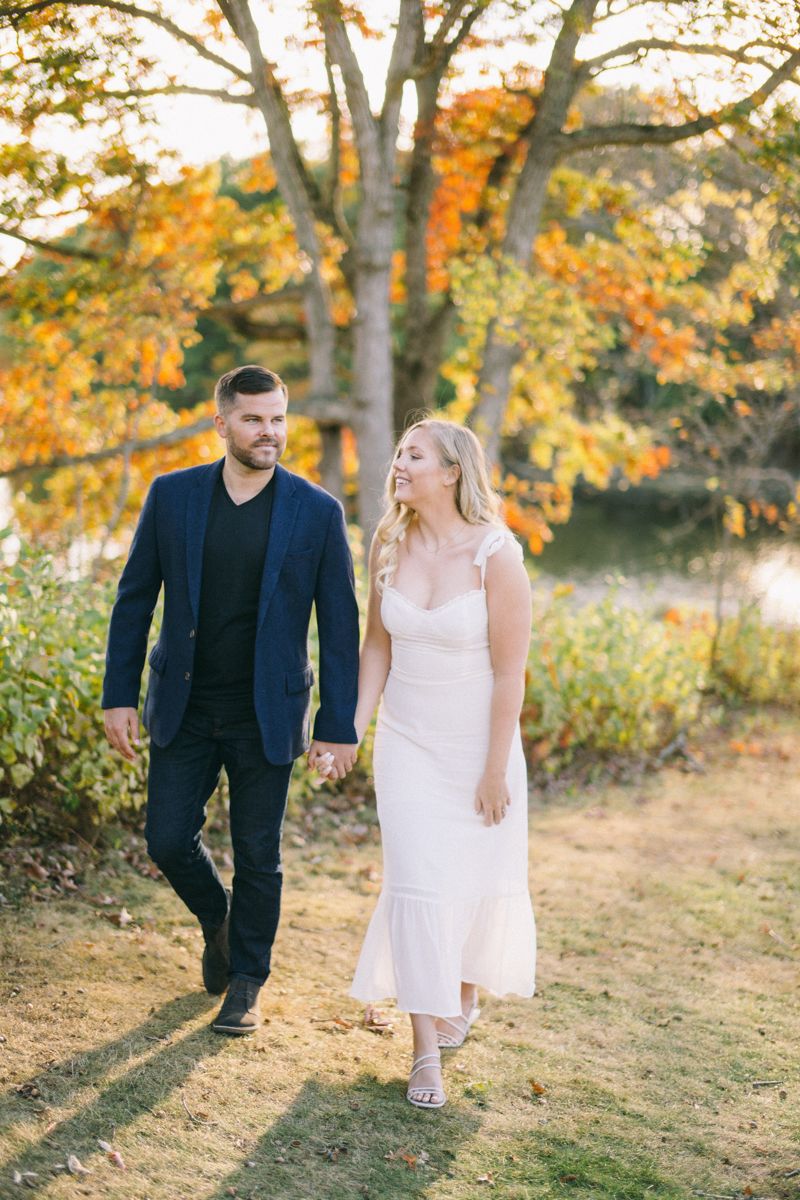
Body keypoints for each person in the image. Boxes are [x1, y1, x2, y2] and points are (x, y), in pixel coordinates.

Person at [101, 365, 359, 1035]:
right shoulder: (173, 496)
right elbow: (134, 600)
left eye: (277, 418)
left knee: (259, 855)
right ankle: (219, 921)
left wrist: (339, 726)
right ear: (222, 424)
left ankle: (246, 981)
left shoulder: (317, 511)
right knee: (166, 840)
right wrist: (116, 695)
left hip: (267, 712)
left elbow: (339, 627)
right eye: (253, 419)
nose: (269, 431)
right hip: (183, 705)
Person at [346, 418, 536, 1108]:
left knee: (470, 875)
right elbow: (376, 648)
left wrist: (493, 769)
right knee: (417, 881)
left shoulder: (496, 554)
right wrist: (355, 727)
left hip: (477, 746)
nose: (399, 465)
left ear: (452, 471)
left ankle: (462, 993)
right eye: (399, 454)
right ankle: (424, 1052)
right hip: (406, 745)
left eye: (413, 455)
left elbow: (511, 675)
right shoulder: (389, 543)